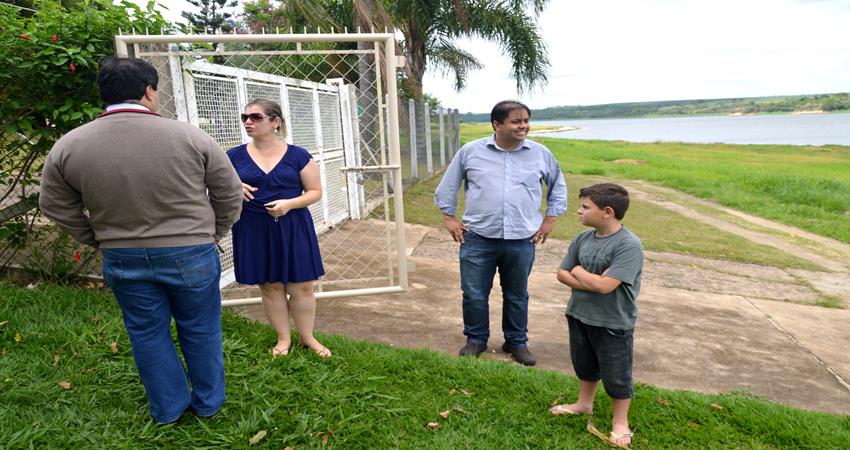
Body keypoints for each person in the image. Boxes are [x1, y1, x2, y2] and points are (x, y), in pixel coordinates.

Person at [39, 57, 244, 424]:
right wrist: (212, 232)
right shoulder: (189, 135)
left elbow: (53, 204)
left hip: (121, 255)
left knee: (146, 333)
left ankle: (168, 410)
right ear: (149, 91)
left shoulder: (69, 144)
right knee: (200, 328)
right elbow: (228, 193)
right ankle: (208, 404)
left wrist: (95, 238)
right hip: (191, 252)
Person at [434, 100, 567, 366]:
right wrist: (449, 218)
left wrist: (549, 220)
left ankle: (516, 342)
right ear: (497, 124)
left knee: (517, 294)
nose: (524, 126)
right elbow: (448, 185)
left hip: (522, 239)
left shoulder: (540, 153)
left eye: (526, 121)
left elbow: (558, 187)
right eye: (517, 122)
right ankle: (476, 340)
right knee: (473, 293)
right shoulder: (470, 152)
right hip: (477, 238)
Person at [226, 99, 331, 358]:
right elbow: (216, 186)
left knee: (302, 286)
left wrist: (289, 204)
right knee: (270, 285)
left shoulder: (298, 155)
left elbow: (315, 192)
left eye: (256, 117)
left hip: (293, 225)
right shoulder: (233, 156)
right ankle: (283, 340)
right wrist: (234, 186)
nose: (248, 122)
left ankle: (307, 338)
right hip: (253, 227)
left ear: (276, 122)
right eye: (245, 117)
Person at [550, 183, 644, 449]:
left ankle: (620, 422)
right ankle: (584, 404)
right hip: (579, 314)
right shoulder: (582, 239)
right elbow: (561, 273)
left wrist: (578, 271)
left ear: (607, 211)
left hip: (613, 322)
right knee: (585, 364)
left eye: (585, 207)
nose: (578, 211)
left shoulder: (629, 245)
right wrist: (586, 276)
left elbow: (605, 287)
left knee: (617, 374)